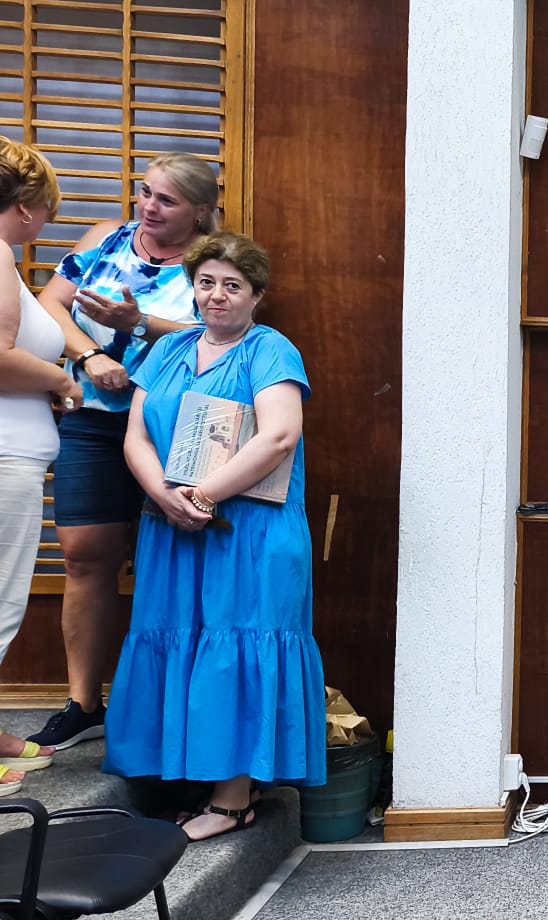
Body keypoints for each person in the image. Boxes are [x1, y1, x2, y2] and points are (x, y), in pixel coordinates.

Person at [103, 232, 326, 841]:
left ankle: (231, 802)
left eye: (233, 285)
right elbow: (135, 436)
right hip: (173, 523)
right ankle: (197, 780)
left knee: (238, 642)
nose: (217, 295)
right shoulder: (167, 348)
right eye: (206, 283)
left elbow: (279, 435)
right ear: (192, 288)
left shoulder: (270, 349)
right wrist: (163, 495)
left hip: (251, 530)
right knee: (185, 638)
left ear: (257, 294)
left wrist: (202, 495)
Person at [29, 152, 222, 753]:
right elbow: (50, 303)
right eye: (145, 192)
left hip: (171, 424)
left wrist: (139, 323)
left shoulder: (213, 260)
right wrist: (88, 356)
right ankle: (83, 703)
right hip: (89, 417)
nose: (149, 207)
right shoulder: (105, 238)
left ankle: (178, 702)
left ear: (200, 211)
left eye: (166, 200)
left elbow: (222, 333)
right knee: (85, 555)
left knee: (181, 555)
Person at [0, 137, 72, 789]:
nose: (47, 221)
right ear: (26, 206)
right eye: (48, 207)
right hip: (6, 458)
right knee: (0, 602)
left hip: (13, 452)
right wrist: (62, 381)